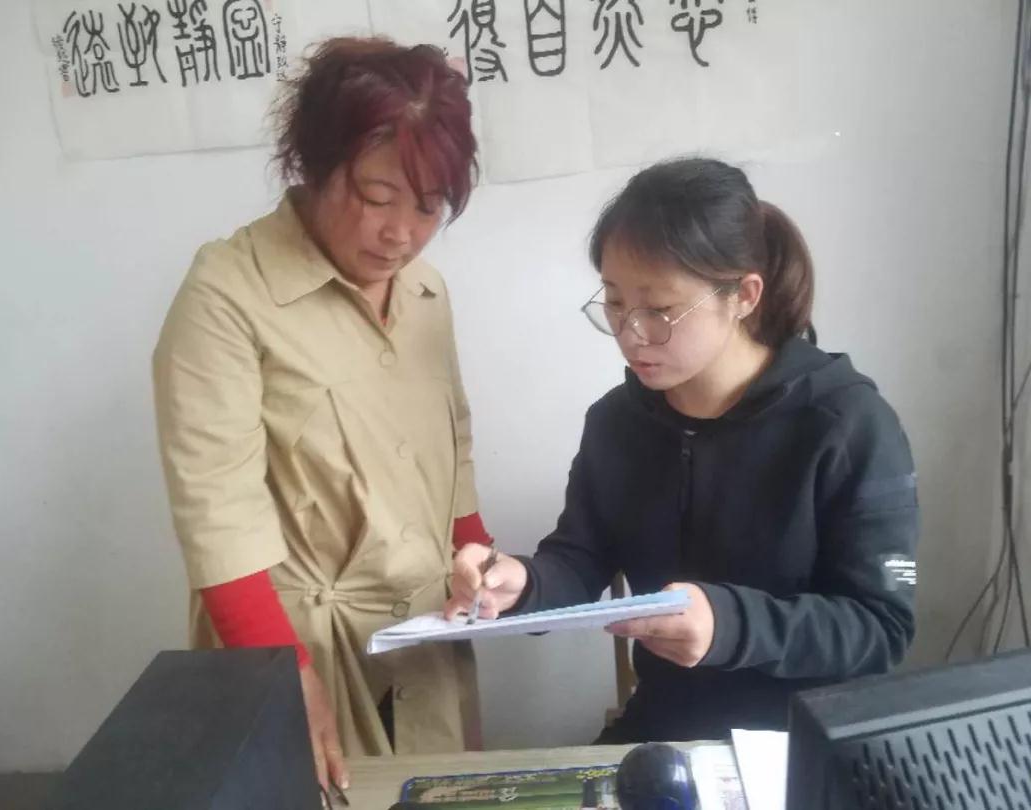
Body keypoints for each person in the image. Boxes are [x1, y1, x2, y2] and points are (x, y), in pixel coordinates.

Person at [447, 157, 919, 742]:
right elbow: (579, 559)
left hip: (801, 740)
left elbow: (880, 627)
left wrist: (729, 626)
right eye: (615, 303)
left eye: (660, 310)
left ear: (743, 295)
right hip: (666, 730)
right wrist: (520, 583)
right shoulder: (618, 423)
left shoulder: (845, 424)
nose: (631, 334)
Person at [153, 37, 492, 790]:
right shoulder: (226, 294)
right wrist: (283, 676)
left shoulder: (426, 291)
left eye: (429, 206)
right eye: (376, 196)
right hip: (297, 649)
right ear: (313, 164)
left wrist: (478, 556)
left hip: (425, 636)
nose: (401, 233)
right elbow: (217, 513)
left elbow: (452, 444)